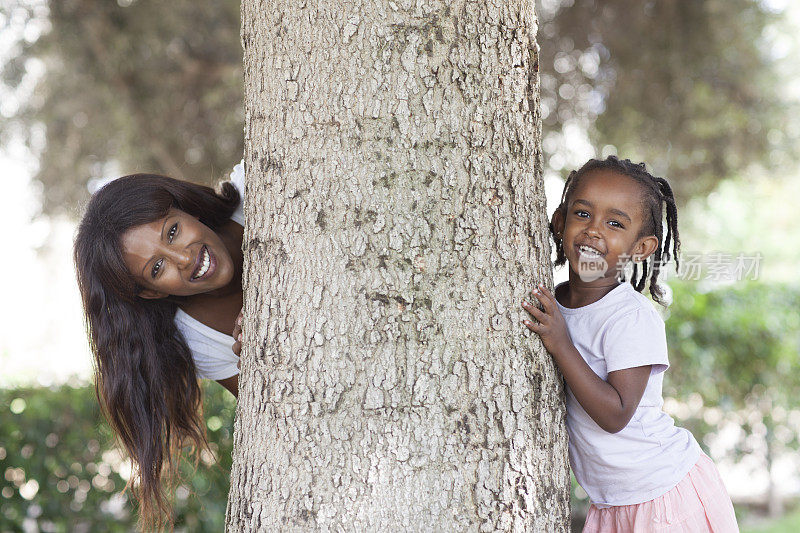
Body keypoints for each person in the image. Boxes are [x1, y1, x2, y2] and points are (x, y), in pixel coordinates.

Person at [521, 156, 738, 532]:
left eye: (615, 223)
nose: (593, 231)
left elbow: (616, 413)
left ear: (641, 247)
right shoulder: (555, 303)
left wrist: (561, 343)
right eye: (582, 214)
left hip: (663, 493)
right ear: (560, 222)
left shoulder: (631, 317)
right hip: (612, 503)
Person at [73, 162, 246, 528]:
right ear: (152, 292)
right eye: (156, 269)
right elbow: (279, 407)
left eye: (172, 231)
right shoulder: (197, 339)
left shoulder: (259, 187)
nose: (185, 259)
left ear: (187, 209)